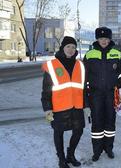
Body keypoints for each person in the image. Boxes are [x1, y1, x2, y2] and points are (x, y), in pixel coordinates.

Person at [41, 36, 88, 168]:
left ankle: (70, 155)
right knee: (58, 132)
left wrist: (86, 105)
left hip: (77, 105)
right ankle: (61, 159)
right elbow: (46, 90)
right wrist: (47, 108)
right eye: (68, 46)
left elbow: (83, 88)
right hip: (59, 107)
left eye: (73, 47)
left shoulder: (80, 65)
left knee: (78, 131)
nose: (71, 49)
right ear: (63, 48)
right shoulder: (52, 65)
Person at [83, 27, 121, 161]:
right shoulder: (89, 54)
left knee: (110, 122)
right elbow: (84, 75)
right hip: (95, 94)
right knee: (97, 123)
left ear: (110, 39)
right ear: (97, 39)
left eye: (106, 38)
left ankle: (109, 148)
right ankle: (96, 151)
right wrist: (86, 91)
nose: (104, 41)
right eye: (101, 38)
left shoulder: (117, 54)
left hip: (111, 94)